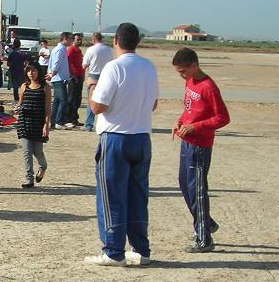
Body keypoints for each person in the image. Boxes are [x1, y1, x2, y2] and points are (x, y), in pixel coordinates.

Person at [85, 22, 159, 266]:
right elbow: (153, 104)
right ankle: (141, 249)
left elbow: (98, 106)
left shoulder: (114, 67)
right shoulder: (149, 67)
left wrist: (91, 88)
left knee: (111, 196)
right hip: (141, 136)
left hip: (115, 137)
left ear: (116, 41)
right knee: (138, 195)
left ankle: (113, 250)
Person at [172, 47, 230, 253]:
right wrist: (181, 121)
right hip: (186, 142)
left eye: (183, 71)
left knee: (197, 189)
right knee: (184, 184)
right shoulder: (190, 82)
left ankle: (204, 238)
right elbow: (190, 109)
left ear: (194, 66)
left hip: (200, 146)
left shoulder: (208, 87)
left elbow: (222, 117)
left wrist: (195, 127)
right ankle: (207, 223)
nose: (181, 76)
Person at [15, 63, 51, 188]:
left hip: (38, 123)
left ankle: (43, 166)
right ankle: (29, 178)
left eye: (34, 70)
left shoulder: (45, 87)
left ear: (38, 71)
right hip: (24, 122)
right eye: (29, 71)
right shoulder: (24, 86)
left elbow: (48, 108)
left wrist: (46, 125)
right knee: (27, 152)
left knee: (38, 152)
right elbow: (20, 103)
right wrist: (17, 108)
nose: (31, 73)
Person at [81, 31, 114, 131]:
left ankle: (89, 124)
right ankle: (104, 123)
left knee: (91, 100)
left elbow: (84, 65)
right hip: (106, 75)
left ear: (94, 39)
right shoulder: (108, 49)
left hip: (93, 75)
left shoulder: (91, 49)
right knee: (104, 100)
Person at [46, 32, 71, 129]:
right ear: (65, 39)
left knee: (57, 101)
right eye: (70, 39)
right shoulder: (60, 49)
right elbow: (56, 63)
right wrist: (52, 73)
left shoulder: (62, 49)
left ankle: (53, 121)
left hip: (60, 78)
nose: (71, 41)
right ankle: (58, 121)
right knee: (63, 100)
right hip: (58, 79)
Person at [66, 32, 86, 125]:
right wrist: (72, 75)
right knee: (71, 98)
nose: (79, 41)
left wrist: (83, 74)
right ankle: (68, 119)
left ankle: (74, 118)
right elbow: (68, 63)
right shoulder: (71, 50)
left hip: (80, 76)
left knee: (77, 99)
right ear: (73, 40)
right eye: (78, 39)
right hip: (74, 77)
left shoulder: (79, 51)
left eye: (80, 39)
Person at [7, 36, 27, 102]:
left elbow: (8, 63)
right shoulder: (23, 54)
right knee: (22, 85)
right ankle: (22, 97)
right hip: (21, 71)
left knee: (15, 86)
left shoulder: (12, 54)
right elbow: (26, 63)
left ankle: (16, 98)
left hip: (13, 71)